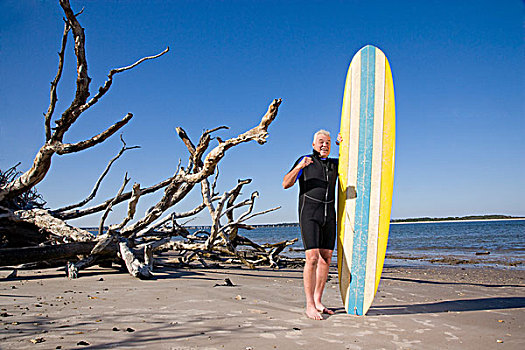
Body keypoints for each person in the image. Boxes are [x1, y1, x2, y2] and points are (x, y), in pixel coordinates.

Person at [282, 129, 341, 320]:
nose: (325, 144)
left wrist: (344, 146)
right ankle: (309, 305)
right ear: (314, 145)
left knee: (326, 258)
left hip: (329, 215)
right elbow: (285, 183)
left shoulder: (335, 164)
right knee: (312, 258)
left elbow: (355, 165)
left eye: (329, 142)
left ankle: (318, 301)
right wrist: (299, 167)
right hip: (309, 214)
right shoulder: (306, 161)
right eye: (321, 142)